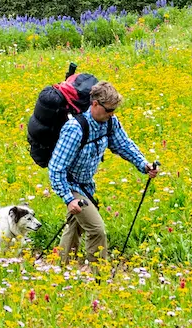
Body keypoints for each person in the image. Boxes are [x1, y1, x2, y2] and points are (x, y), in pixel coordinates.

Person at [45, 81, 159, 264]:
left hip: (86, 186)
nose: (112, 114)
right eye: (108, 110)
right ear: (95, 104)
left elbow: (123, 145)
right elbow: (56, 168)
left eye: (114, 110)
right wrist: (68, 198)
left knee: (74, 227)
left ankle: (61, 272)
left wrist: (144, 165)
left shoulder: (109, 122)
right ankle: (100, 278)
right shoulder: (75, 129)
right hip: (70, 184)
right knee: (97, 230)